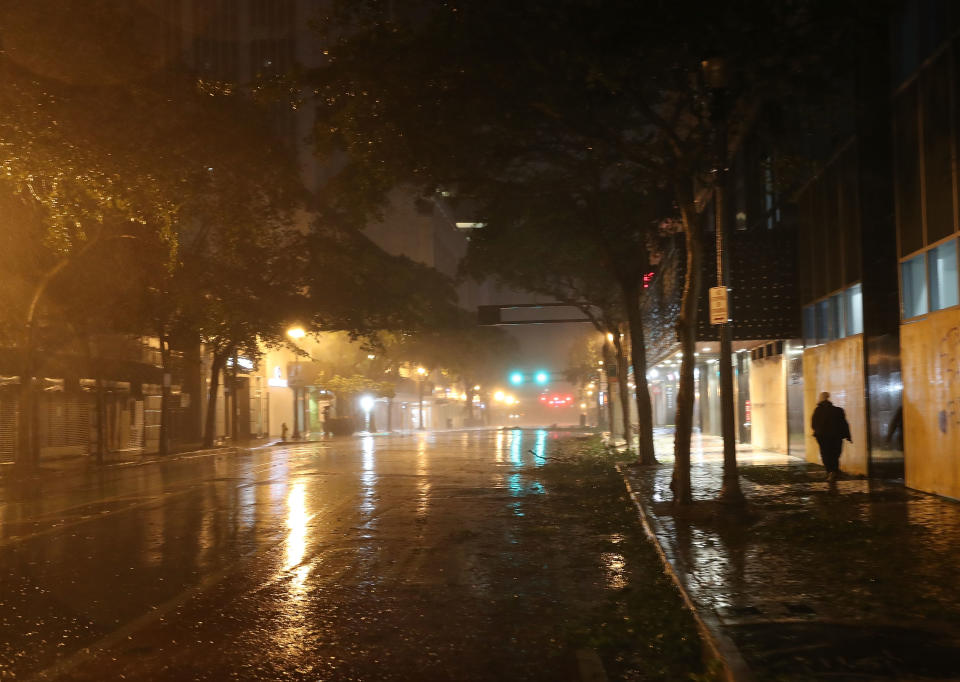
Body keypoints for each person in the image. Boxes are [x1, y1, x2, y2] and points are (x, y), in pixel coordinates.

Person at [811, 391, 851, 482]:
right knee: (835, 455)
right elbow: (844, 424)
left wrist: (817, 432)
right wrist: (848, 436)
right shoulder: (838, 410)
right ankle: (834, 471)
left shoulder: (818, 411)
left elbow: (813, 424)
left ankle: (830, 472)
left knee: (826, 454)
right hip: (836, 437)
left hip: (823, 438)